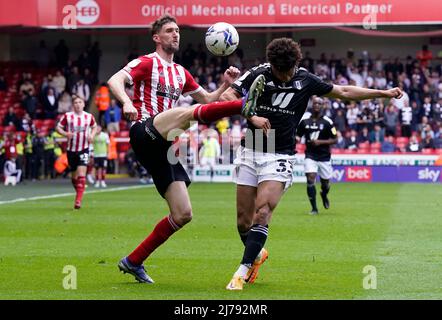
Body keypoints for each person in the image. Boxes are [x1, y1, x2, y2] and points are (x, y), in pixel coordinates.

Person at [219, 37, 403, 290]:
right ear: (271, 64)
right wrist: (252, 115)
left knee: (263, 212)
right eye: (279, 71)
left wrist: (383, 93)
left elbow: (344, 92)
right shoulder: (258, 73)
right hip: (251, 147)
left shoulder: (305, 79)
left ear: (296, 63)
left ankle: (241, 271)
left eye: (288, 71)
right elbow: (228, 95)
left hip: (280, 153)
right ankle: (257, 255)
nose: (284, 77)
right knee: (243, 221)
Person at [107, 14, 268, 284]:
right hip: (145, 130)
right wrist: (125, 101)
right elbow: (114, 80)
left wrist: (225, 86)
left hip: (165, 145)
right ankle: (242, 107)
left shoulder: (181, 72)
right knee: (186, 114)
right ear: (157, 38)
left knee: (183, 214)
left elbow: (206, 100)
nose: (176, 34)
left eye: (178, 31)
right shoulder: (147, 62)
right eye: (169, 31)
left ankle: (133, 261)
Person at [296, 97, 338, 215]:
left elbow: (335, 139)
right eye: (315, 103)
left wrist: (320, 142)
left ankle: (324, 195)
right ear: (312, 105)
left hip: (324, 156)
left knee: (325, 184)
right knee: (310, 178)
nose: (317, 105)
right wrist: (295, 140)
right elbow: (298, 136)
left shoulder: (327, 122)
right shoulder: (305, 121)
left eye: (319, 103)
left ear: (323, 106)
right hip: (310, 155)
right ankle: (314, 208)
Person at [56, 96, 97, 209]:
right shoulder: (68, 116)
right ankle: (79, 191)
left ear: (83, 104)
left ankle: (78, 201)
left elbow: (94, 127)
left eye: (80, 102)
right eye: (75, 102)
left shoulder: (89, 117)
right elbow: (58, 127)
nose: (78, 104)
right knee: (74, 176)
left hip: (84, 148)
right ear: (73, 105)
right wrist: (65, 134)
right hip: (71, 150)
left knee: (81, 175)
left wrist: (92, 135)